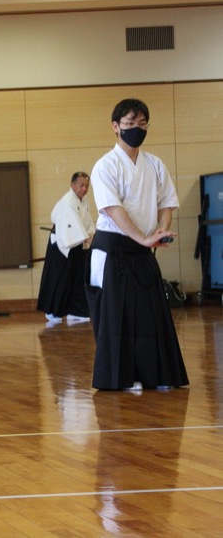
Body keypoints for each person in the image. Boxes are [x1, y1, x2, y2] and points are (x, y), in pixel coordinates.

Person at [87, 98, 189, 391]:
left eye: (142, 124)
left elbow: (166, 203)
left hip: (143, 248)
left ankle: (156, 374)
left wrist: (161, 230)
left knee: (150, 312)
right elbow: (112, 209)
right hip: (113, 249)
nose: (137, 129)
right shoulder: (105, 166)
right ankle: (121, 377)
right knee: (116, 315)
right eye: (130, 124)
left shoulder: (154, 164)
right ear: (115, 127)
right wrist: (143, 238)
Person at [37, 172, 95, 324]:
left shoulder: (84, 201)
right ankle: (52, 311)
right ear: (72, 184)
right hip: (62, 245)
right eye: (81, 185)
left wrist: (92, 236)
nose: (84, 189)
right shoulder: (67, 202)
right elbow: (74, 226)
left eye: (87, 186)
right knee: (60, 279)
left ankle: (76, 311)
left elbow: (88, 223)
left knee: (77, 278)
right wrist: (89, 239)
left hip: (76, 243)